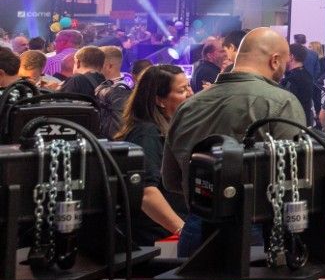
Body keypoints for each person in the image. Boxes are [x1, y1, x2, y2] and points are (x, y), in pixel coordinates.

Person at [163, 29, 307, 256]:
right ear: (275, 60)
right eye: (284, 62)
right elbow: (294, 177)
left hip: (196, 228)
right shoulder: (281, 102)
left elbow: (171, 180)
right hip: (253, 229)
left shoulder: (188, 106)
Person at [117, 64, 190, 245]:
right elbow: (146, 193)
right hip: (157, 240)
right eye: (182, 90)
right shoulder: (147, 133)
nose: (190, 93)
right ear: (159, 100)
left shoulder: (166, 128)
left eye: (189, 86)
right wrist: (183, 231)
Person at [283, 43, 319, 125]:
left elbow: (286, 105)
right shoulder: (307, 75)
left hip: (293, 124)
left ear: (291, 57)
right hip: (305, 120)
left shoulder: (292, 79)